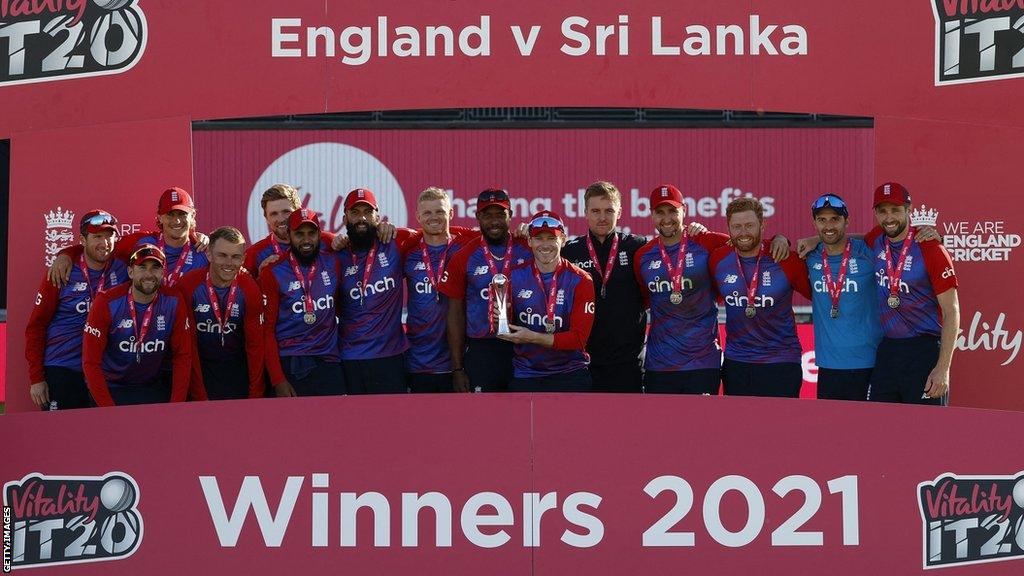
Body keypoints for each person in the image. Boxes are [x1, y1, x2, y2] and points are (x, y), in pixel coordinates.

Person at [865, 182, 959, 405]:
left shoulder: (931, 248)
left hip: (924, 351)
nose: (889, 218)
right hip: (888, 350)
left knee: (927, 433)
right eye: (882, 211)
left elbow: (952, 311)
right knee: (880, 429)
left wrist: (942, 369)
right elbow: (853, 240)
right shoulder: (876, 238)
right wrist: (814, 240)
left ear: (909, 210)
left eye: (896, 210)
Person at [634, 185, 732, 394]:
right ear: (651, 215)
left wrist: (779, 240)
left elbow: (748, 242)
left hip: (703, 363)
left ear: (684, 211)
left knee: (702, 427)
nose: (667, 218)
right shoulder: (643, 256)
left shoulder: (707, 242)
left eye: (673, 211)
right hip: (659, 365)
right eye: (660, 212)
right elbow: (644, 300)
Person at [25, 210, 128, 410]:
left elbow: (159, 241)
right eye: (97, 236)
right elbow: (36, 326)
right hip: (63, 368)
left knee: (105, 437)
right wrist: (36, 378)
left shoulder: (124, 269)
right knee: (61, 438)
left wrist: (196, 237)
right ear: (82, 239)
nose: (104, 243)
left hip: (104, 371)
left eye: (109, 236)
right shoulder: (61, 272)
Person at [710, 197, 811, 398]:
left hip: (781, 362)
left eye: (749, 225)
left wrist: (782, 238)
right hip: (736, 364)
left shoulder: (785, 259)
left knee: (780, 428)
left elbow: (817, 296)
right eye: (736, 226)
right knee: (739, 428)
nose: (743, 232)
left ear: (763, 225)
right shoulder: (718, 259)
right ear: (728, 228)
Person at [438, 188, 533, 393]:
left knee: (524, 417)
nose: (494, 221)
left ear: (511, 215)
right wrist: (457, 368)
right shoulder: (464, 256)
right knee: (484, 420)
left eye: (500, 214)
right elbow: (455, 314)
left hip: (525, 346)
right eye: (487, 215)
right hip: (482, 350)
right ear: (477, 217)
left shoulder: (529, 249)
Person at [560, 182, 650, 393]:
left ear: (619, 212)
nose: (602, 217)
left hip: (628, 363)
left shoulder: (637, 246)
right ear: (585, 213)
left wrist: (695, 231)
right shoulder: (570, 252)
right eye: (595, 211)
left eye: (609, 210)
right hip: (584, 363)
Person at [82, 244, 194, 405]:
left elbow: (182, 356)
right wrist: (108, 410)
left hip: (151, 387)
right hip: (111, 387)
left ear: (163, 272)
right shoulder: (106, 302)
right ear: (130, 272)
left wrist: (176, 405)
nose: (149, 274)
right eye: (142, 267)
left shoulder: (174, 301)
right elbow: (91, 362)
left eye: (155, 268)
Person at [496, 211, 595, 391]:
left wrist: (533, 338)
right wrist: (498, 319)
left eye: (551, 238)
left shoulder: (581, 280)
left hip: (570, 375)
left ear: (563, 240)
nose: (545, 244)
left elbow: (578, 339)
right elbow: (502, 327)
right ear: (529, 242)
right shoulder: (512, 276)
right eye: (539, 238)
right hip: (526, 375)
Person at [399, 187, 479, 393]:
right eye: (427, 213)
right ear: (417, 216)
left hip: (458, 362)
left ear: (451, 213)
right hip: (417, 362)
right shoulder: (409, 251)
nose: (434, 217)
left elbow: (498, 237)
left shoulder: (466, 247)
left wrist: (522, 232)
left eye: (440, 211)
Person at [260, 208, 345, 397]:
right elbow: (267, 330)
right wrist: (278, 379)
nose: (306, 240)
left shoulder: (334, 263)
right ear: (289, 235)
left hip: (328, 362)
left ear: (319, 235)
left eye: (311, 233)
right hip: (290, 363)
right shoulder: (272, 271)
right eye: (299, 234)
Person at [804, 194, 881, 401]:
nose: (828, 226)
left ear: (847, 221)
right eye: (822, 220)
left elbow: (895, 236)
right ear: (814, 223)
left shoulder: (868, 252)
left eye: (835, 219)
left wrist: (931, 235)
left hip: (870, 363)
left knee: (870, 430)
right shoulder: (809, 257)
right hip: (829, 365)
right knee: (832, 432)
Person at [50, 187, 208, 287]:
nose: (177, 220)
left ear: (192, 215)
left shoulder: (203, 249)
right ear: (159, 217)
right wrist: (67, 254)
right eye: (170, 214)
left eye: (182, 214)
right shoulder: (142, 241)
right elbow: (101, 248)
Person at [177, 227, 265, 400]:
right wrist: (199, 395)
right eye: (222, 255)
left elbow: (255, 347)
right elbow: (188, 347)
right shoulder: (188, 285)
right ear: (209, 255)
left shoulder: (249, 289)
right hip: (199, 368)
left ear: (244, 258)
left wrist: (256, 395)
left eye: (236, 257)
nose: (229, 263)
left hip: (237, 369)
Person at [336, 188, 409, 394]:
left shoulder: (396, 242)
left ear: (378, 215)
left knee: (392, 425)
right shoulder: (335, 256)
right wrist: (330, 238)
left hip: (390, 357)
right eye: (355, 212)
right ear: (345, 218)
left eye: (368, 212)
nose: (362, 218)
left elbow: (438, 234)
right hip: (350, 359)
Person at [244, 183, 339, 277]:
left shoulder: (327, 241)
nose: (281, 219)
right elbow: (238, 289)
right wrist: (261, 276)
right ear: (266, 218)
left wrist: (343, 242)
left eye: (286, 212)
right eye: (274, 214)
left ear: (298, 211)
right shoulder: (254, 254)